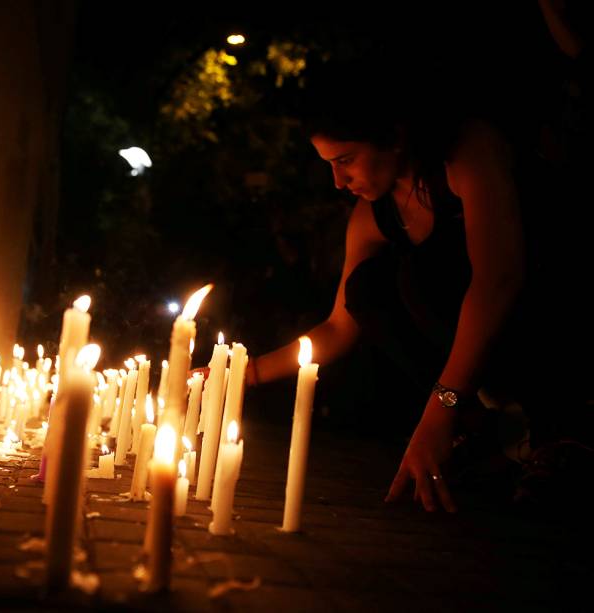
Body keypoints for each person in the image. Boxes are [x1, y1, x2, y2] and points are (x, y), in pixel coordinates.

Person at [224, 54, 594, 514]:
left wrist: (439, 408)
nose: (339, 181)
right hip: (473, 376)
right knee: (368, 289)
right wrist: (240, 374)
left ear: (394, 137)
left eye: (346, 160)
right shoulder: (371, 216)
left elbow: (499, 279)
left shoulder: (466, 153)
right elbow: (340, 327)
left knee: (424, 276)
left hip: (556, 320)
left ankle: (562, 432)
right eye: (329, 165)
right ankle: (486, 435)